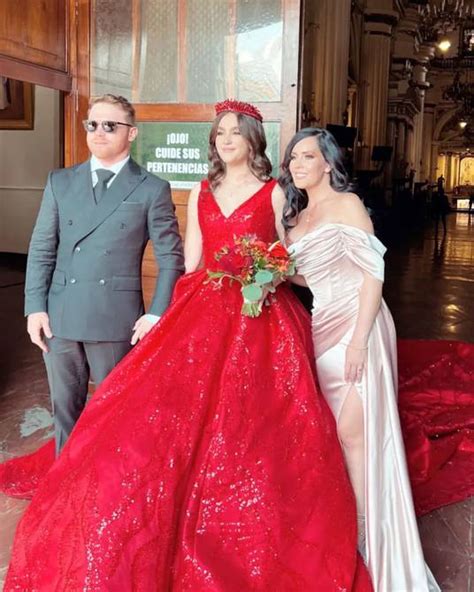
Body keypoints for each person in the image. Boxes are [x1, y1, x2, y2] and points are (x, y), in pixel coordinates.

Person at [1, 102, 372, 591]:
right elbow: (193, 261)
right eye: (220, 133)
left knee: (255, 420)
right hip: (205, 304)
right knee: (162, 414)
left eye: (236, 133)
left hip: (259, 313)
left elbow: (289, 254)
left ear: (253, 140)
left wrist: (276, 274)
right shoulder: (200, 190)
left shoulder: (277, 191)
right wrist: (166, 318)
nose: (226, 139)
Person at [279, 127, 440, 592]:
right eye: (293, 159)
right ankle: (348, 522)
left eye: (308, 157)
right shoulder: (298, 214)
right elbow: (313, 277)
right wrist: (275, 273)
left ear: (328, 163)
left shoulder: (346, 205)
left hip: (359, 321)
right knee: (336, 428)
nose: (298, 165)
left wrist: (358, 341)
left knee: (355, 430)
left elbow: (374, 273)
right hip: (323, 319)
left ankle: (370, 535)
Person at [25, 93, 184, 455]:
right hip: (60, 315)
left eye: (110, 125)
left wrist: (157, 312)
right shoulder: (60, 182)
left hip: (115, 319)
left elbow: (171, 257)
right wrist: (35, 306)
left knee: (114, 413)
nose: (99, 132)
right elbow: (42, 249)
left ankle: (105, 494)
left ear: (132, 134)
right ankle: (66, 489)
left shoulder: (150, 188)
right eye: (92, 124)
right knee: (64, 411)